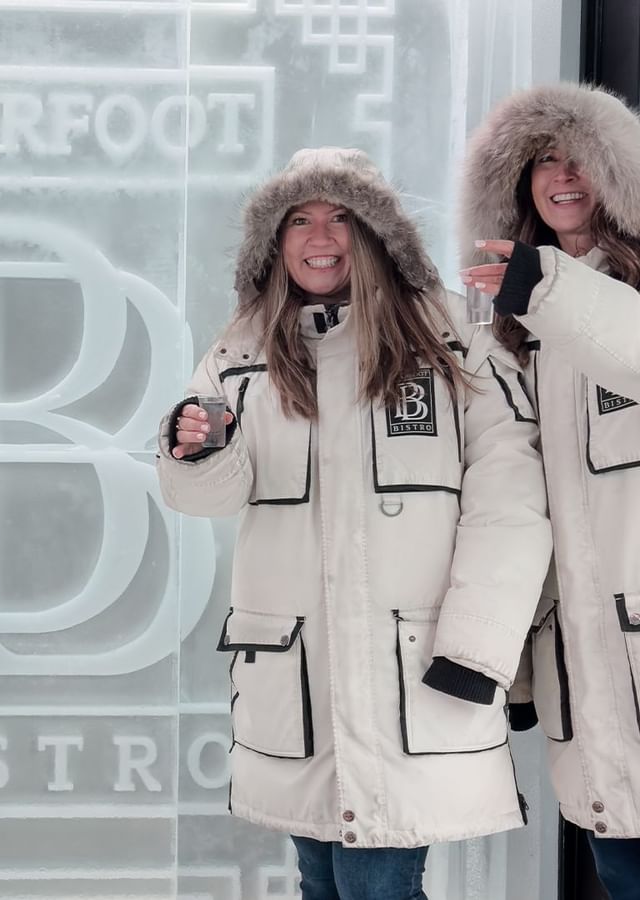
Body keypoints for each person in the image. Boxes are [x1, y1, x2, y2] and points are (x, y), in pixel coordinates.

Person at [157, 148, 552, 900]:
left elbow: (512, 504)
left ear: (375, 233)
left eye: (341, 216)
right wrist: (200, 446)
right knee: (326, 883)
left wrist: (479, 646)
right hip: (297, 685)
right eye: (299, 219)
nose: (320, 235)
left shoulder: (453, 352)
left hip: (417, 678)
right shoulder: (241, 354)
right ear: (275, 241)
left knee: (376, 883)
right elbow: (206, 497)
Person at [459, 82, 640, 900]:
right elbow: (513, 496)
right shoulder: (510, 322)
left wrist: (547, 287)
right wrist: (515, 668)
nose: (561, 176)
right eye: (542, 161)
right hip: (580, 664)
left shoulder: (603, 295)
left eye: (580, 158)